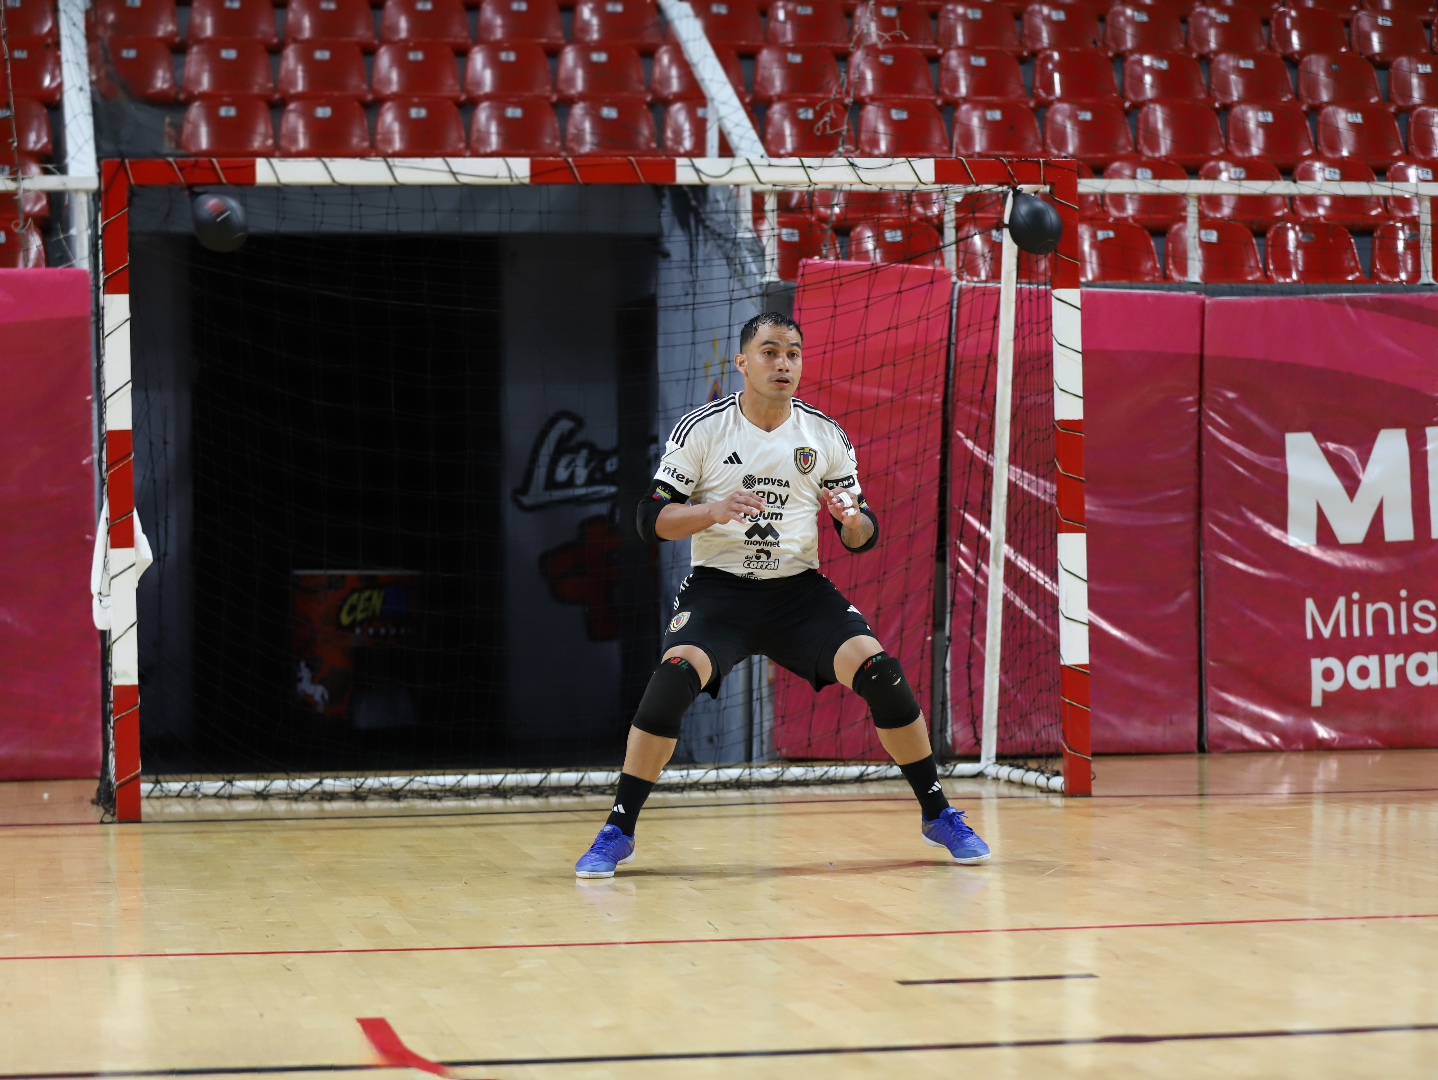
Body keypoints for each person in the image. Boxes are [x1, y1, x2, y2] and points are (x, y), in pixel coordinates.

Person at [574, 312, 991, 877]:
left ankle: (938, 813)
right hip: (720, 592)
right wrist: (711, 511)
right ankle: (618, 829)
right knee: (672, 678)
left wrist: (850, 520)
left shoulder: (822, 434)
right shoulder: (702, 429)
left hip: (798, 594)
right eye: (770, 352)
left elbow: (863, 536)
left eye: (792, 353)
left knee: (883, 673)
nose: (783, 364)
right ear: (742, 362)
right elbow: (650, 520)